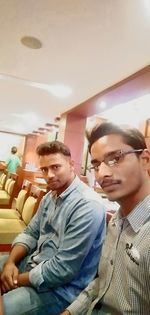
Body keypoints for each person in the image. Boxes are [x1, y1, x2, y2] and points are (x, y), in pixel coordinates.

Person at [0, 140, 106, 315]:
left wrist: (14, 280)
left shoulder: (87, 205)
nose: (49, 175)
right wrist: (11, 263)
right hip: (32, 264)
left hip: (60, 290)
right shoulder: (50, 196)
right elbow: (30, 233)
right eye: (44, 169)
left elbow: (62, 270)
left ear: (71, 165)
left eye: (56, 167)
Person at [60, 122, 150, 315]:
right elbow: (102, 282)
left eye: (115, 158)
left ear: (145, 160)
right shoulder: (117, 221)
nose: (102, 174)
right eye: (96, 164)